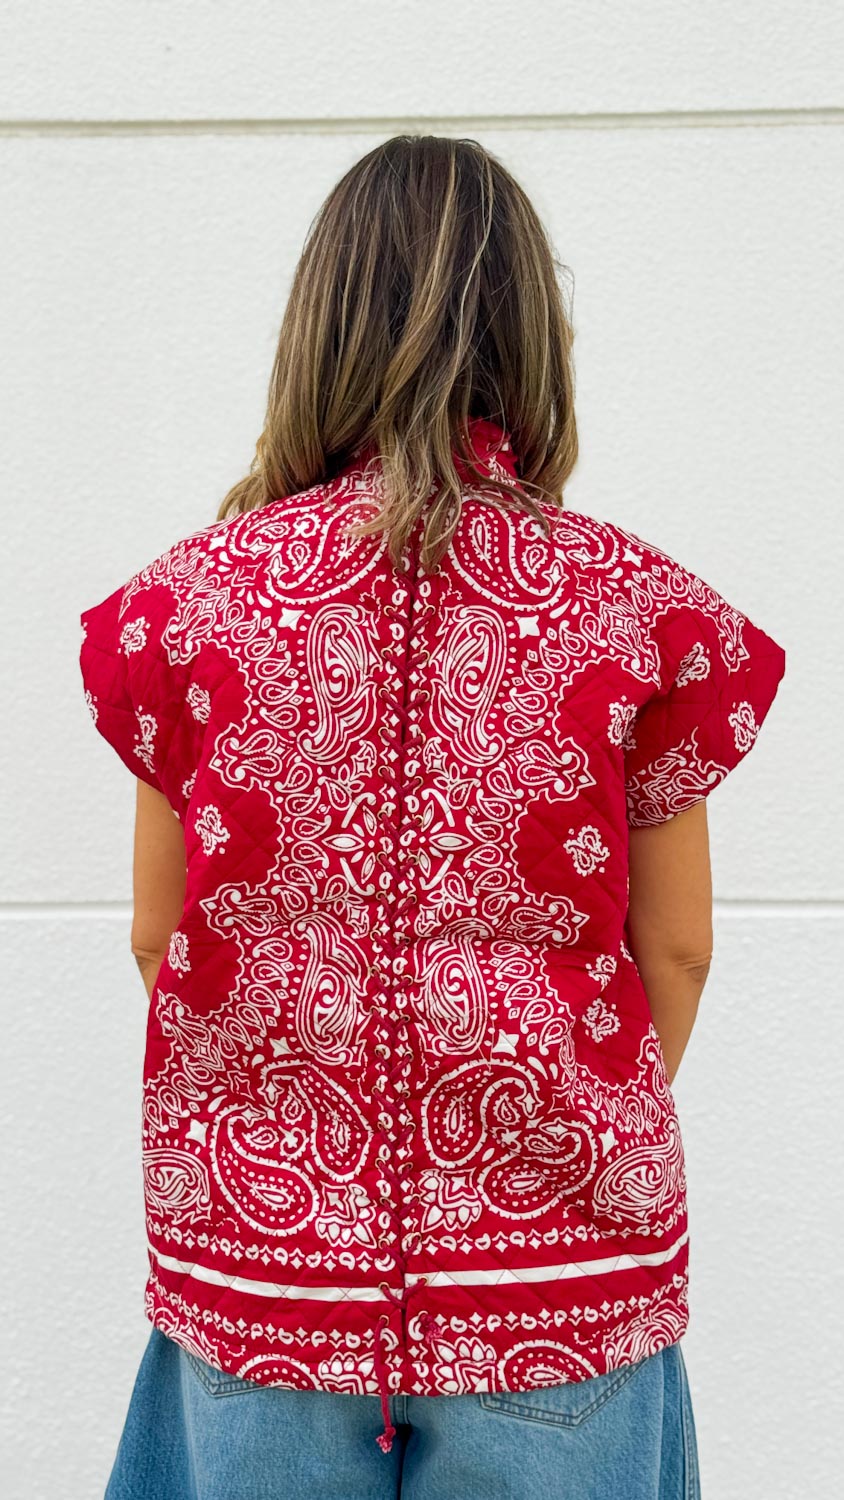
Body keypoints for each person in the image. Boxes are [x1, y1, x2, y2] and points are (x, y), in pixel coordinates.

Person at [79, 134, 786, 1500]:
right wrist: (563, 1130)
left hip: (263, 1277)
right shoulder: (633, 610)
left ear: (318, 329)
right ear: (532, 333)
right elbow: (679, 950)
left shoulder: (188, 610)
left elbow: (158, 933)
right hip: (561, 1277)